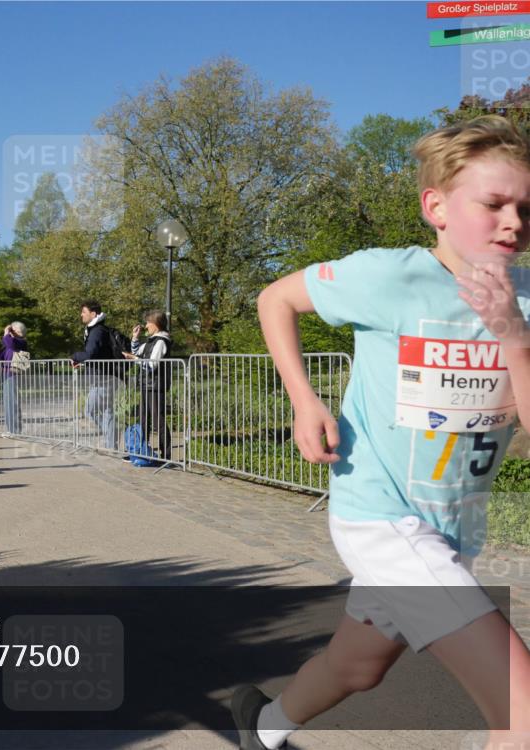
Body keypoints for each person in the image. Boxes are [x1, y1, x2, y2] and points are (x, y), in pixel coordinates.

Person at [232, 115, 530, 750]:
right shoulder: (389, 276)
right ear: (437, 207)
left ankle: (263, 728)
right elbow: (275, 299)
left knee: (357, 667)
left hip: (454, 528)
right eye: (495, 204)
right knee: (523, 713)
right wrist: (302, 397)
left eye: (526, 208)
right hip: (382, 518)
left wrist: (513, 337)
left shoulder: (527, 303)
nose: (514, 223)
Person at [122, 310, 172, 462]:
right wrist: (135, 338)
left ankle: (167, 456)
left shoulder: (161, 341)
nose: (146, 326)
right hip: (146, 384)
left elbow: (152, 365)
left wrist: (134, 358)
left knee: (158, 420)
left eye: (148, 323)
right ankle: (141, 451)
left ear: (156, 324)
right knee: (144, 419)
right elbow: (136, 350)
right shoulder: (151, 340)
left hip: (156, 385)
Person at [71, 300, 118, 451]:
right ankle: (111, 444)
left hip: (102, 378)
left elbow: (90, 354)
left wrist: (75, 356)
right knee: (107, 411)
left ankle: (112, 437)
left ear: (93, 314)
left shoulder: (96, 331)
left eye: (84, 312)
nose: (81, 315)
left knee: (90, 411)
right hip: (106, 377)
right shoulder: (99, 330)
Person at [0, 322, 29, 436]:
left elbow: (10, 344)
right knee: (7, 403)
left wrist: (6, 332)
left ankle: (15, 430)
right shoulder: (10, 343)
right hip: (6, 375)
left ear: (17, 331)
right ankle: (11, 429)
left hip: (14, 375)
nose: (10, 331)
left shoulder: (21, 342)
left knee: (12, 403)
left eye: (12, 330)